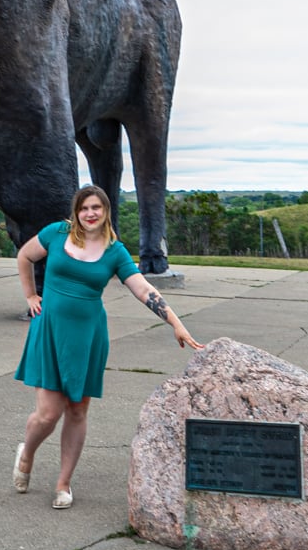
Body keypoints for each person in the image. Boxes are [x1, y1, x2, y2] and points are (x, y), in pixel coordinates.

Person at [11, 184, 203, 509]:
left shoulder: (114, 250)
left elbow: (142, 288)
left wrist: (175, 322)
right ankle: (26, 453)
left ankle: (63, 483)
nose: (90, 214)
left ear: (105, 211)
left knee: (77, 409)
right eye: (85, 208)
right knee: (48, 414)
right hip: (50, 331)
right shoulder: (56, 233)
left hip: (88, 337)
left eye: (96, 208)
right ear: (77, 211)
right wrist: (30, 295)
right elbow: (25, 256)